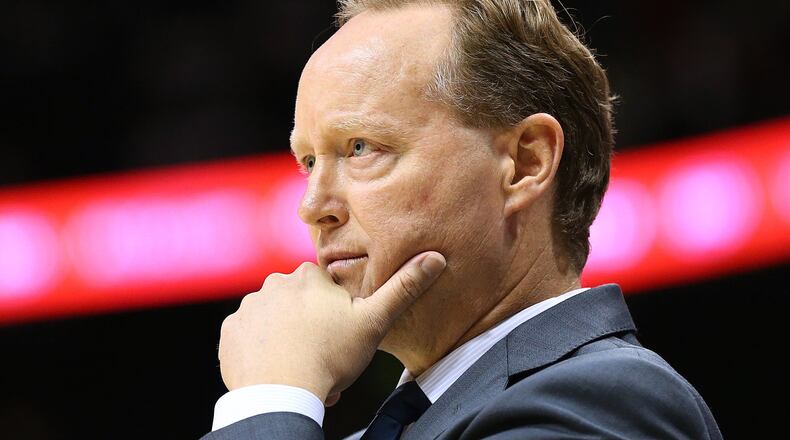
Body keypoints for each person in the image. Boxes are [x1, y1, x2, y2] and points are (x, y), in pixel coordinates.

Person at [203, 0, 723, 438]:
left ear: (525, 162)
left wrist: (269, 399)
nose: (312, 206)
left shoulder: (608, 403)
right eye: (309, 162)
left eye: (360, 147)